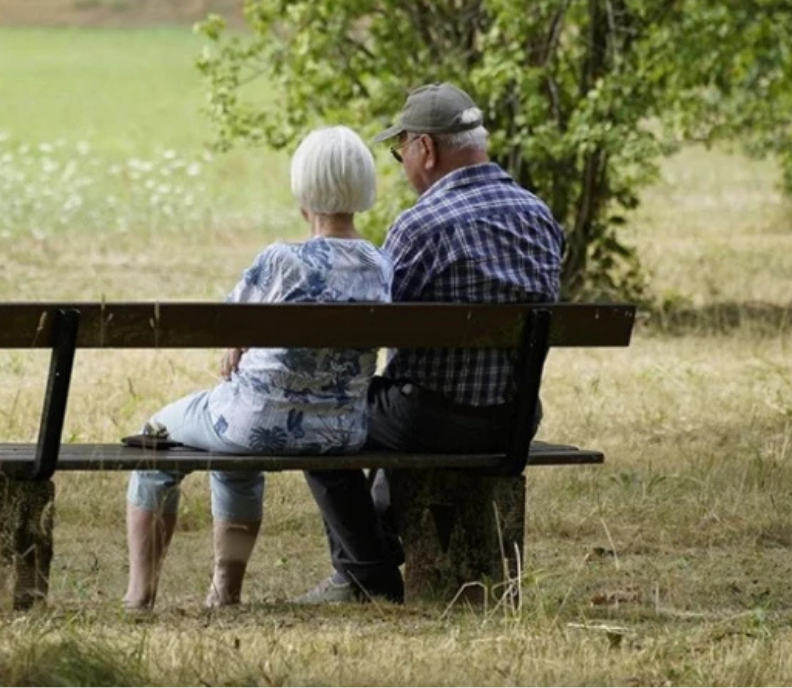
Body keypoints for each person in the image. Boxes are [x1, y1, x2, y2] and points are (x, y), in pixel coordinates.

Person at [296, 83, 566, 604]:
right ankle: (376, 548)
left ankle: (366, 574)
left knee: (317, 415)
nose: (403, 166)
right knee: (395, 400)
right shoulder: (539, 216)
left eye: (401, 153)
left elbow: (371, 325)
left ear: (425, 148)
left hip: (430, 420)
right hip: (513, 421)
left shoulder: (420, 225)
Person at [124, 126, 394, 610]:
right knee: (234, 455)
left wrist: (237, 344)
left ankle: (139, 596)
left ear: (303, 190)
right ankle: (224, 592)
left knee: (155, 438)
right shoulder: (380, 265)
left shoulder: (281, 260)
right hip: (340, 432)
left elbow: (228, 324)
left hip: (255, 423)